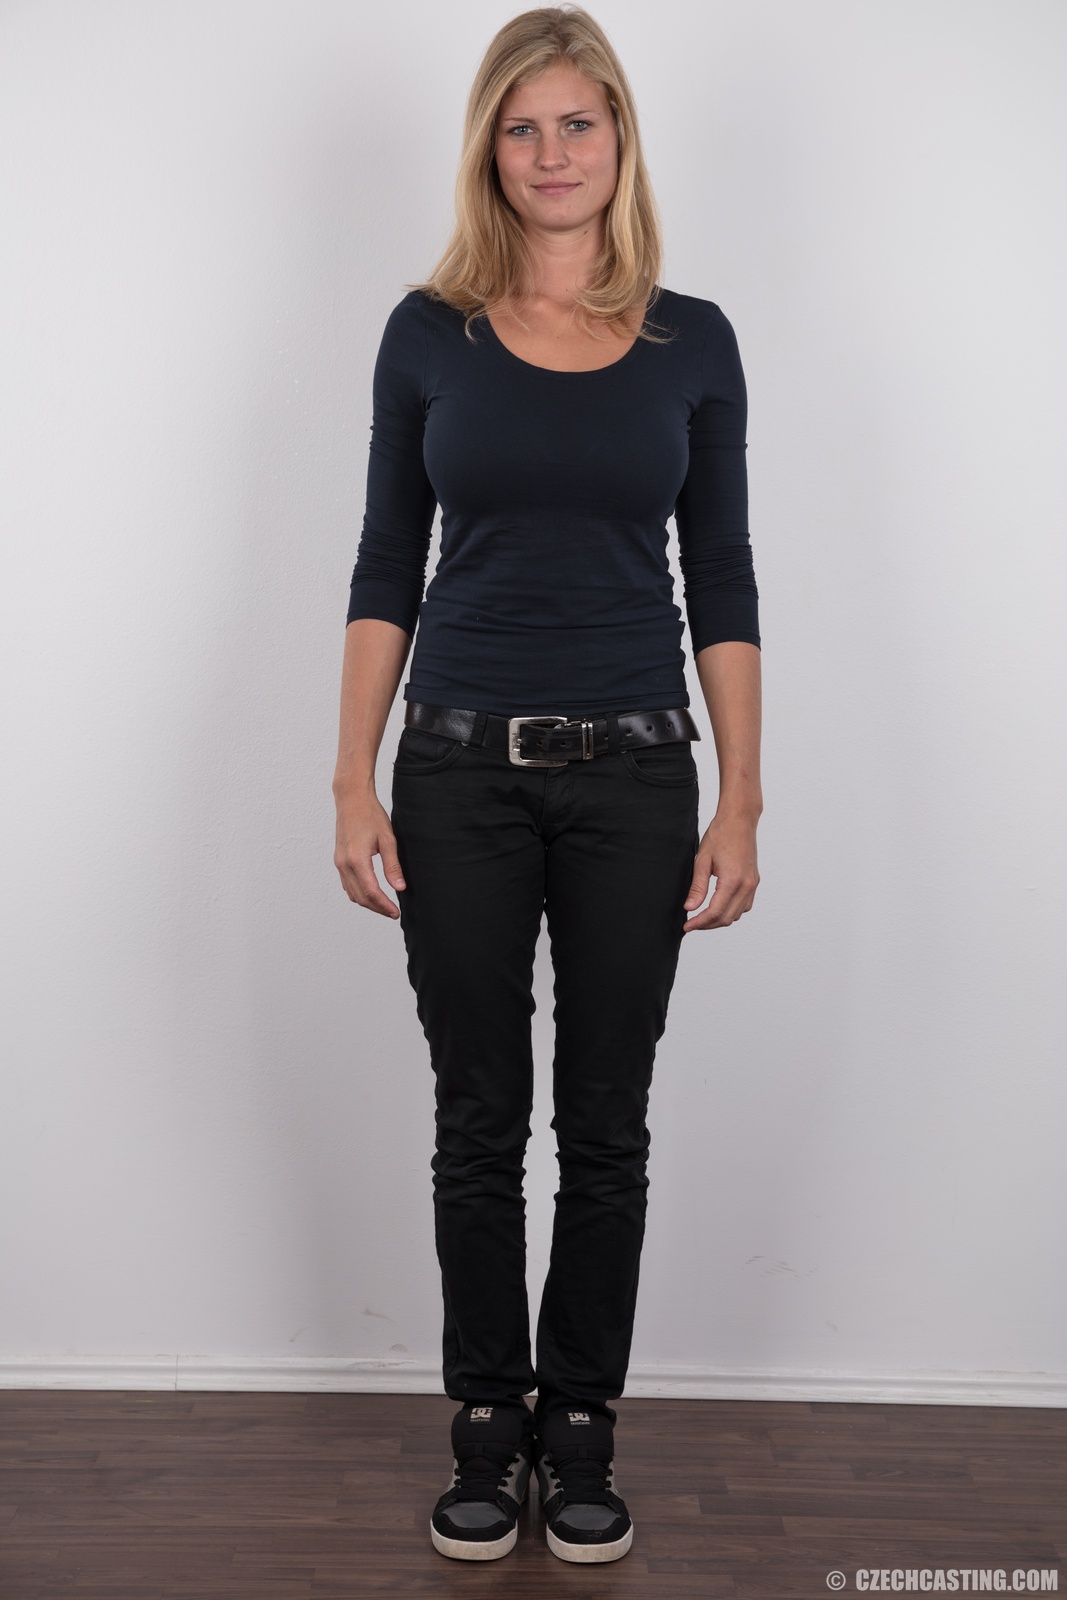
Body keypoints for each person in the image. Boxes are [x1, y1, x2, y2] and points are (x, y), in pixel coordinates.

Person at [332, 4, 762, 1566]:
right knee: (476, 1117)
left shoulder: (692, 340)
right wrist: (351, 778)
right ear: (489, 149)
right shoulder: (427, 333)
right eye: (523, 127)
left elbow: (723, 575)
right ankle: (484, 1425)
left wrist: (741, 797)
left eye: (578, 122)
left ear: (620, 138)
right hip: (456, 771)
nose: (552, 151)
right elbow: (388, 562)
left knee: (605, 1122)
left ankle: (580, 1427)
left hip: (638, 777)